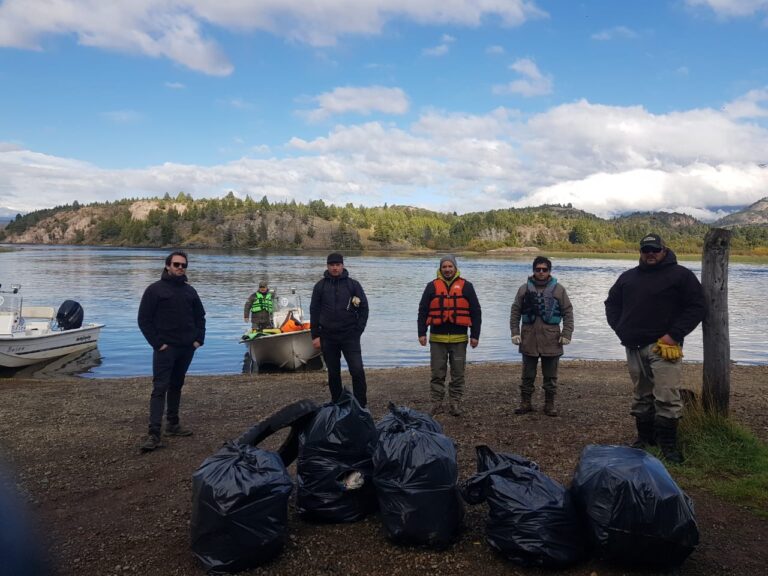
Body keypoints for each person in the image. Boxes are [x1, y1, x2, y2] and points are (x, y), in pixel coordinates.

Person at [605, 233, 705, 464]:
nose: (650, 254)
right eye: (646, 250)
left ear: (664, 250)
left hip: (664, 347)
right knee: (641, 396)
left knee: (667, 396)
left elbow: (697, 306)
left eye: (654, 250)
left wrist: (674, 335)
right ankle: (645, 440)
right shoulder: (627, 277)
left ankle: (669, 446)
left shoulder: (681, 275)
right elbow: (612, 304)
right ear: (640, 252)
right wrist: (620, 329)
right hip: (633, 346)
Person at [137, 250, 206, 453]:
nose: (180, 268)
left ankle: (173, 425)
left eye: (183, 265)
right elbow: (144, 320)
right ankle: (154, 434)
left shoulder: (190, 291)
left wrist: (198, 340)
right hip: (165, 349)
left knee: (177, 385)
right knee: (160, 388)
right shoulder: (154, 290)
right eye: (176, 264)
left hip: (186, 348)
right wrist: (158, 344)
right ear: (168, 266)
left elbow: (200, 316)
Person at [509, 256, 574, 417]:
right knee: (527, 375)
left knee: (551, 376)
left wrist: (566, 333)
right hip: (528, 337)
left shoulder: (559, 290)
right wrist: (515, 332)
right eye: (538, 269)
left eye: (544, 269)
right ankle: (525, 403)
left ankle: (549, 405)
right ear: (533, 270)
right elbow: (515, 311)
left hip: (551, 338)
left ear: (549, 271)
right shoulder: (524, 289)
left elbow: (568, 312)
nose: (541, 272)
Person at [417, 255, 481, 417]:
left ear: (455, 267)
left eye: (450, 266)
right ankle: (436, 403)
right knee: (437, 373)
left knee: (458, 373)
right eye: (444, 266)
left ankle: (455, 402)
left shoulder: (467, 286)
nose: (447, 269)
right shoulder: (431, 286)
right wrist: (421, 333)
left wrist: (475, 335)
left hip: (459, 339)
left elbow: (475, 312)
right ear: (440, 268)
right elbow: (423, 310)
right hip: (437, 339)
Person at [310, 252, 369, 407]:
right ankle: (337, 403)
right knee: (333, 373)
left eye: (338, 265)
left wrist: (358, 331)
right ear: (327, 266)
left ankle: (361, 405)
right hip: (328, 337)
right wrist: (315, 336)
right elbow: (314, 311)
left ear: (342, 265)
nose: (335, 268)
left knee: (357, 370)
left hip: (350, 336)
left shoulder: (353, 285)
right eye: (332, 265)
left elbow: (364, 308)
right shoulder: (320, 286)